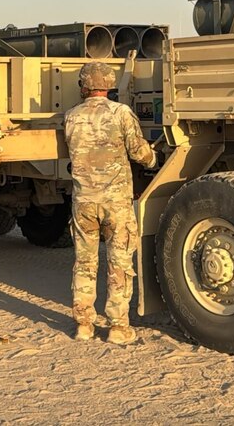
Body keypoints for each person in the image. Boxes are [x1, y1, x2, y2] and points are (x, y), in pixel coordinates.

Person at [63, 62, 156, 344]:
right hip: (115, 202)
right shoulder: (121, 113)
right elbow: (138, 152)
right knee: (119, 263)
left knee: (85, 262)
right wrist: (152, 159)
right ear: (109, 85)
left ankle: (84, 325)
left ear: (83, 86)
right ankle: (117, 327)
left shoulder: (71, 116)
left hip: (83, 201)